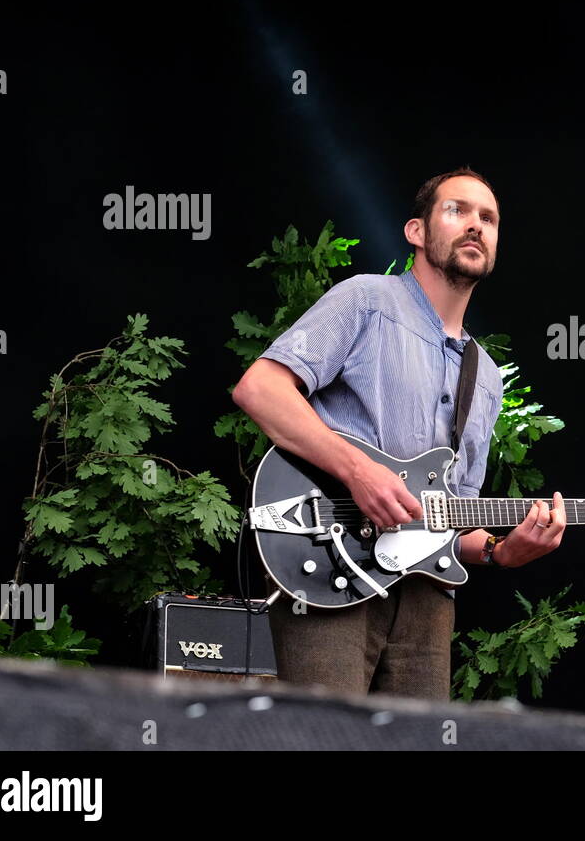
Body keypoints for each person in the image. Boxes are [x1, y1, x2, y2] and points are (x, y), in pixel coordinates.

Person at [232, 167, 566, 699]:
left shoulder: (487, 377)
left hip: (426, 602)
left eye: (489, 218)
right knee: (327, 740)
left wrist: (502, 551)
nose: (476, 226)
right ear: (416, 230)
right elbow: (260, 390)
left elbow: (453, 513)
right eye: (457, 211)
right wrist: (357, 471)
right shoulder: (366, 300)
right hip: (330, 566)